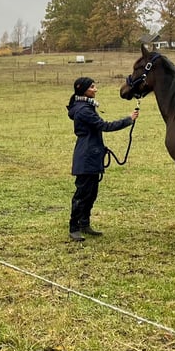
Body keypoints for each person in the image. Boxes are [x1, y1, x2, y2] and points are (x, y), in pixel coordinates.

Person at [66, 76, 139, 241]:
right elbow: (105, 126)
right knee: (82, 193)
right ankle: (74, 227)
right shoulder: (84, 110)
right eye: (92, 87)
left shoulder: (85, 106)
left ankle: (84, 223)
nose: (95, 89)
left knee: (91, 193)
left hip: (92, 154)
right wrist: (128, 120)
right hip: (86, 156)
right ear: (83, 90)